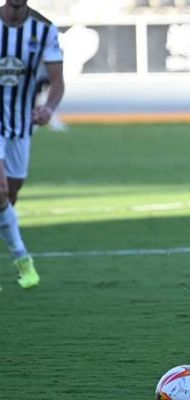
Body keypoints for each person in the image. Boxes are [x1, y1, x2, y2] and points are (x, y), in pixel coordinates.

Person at [0, 0, 64, 291]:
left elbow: (57, 81)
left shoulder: (44, 28)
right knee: (0, 190)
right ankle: (23, 260)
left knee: (8, 197)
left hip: (21, 125)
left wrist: (49, 108)